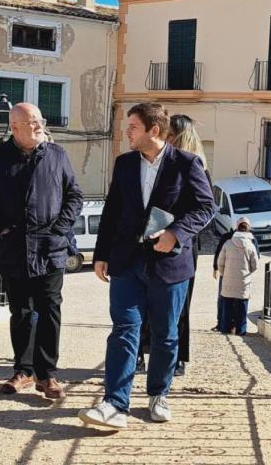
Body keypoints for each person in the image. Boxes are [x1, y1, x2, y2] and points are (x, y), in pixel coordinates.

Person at [79, 103, 215, 429]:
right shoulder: (125, 164)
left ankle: (158, 393)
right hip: (127, 263)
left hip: (169, 265)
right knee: (124, 331)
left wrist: (176, 233)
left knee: (166, 335)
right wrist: (102, 254)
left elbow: (205, 206)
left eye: (133, 127)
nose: (127, 132)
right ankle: (115, 405)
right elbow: (112, 212)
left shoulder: (186, 164)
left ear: (154, 130)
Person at [0, 103, 83, 400]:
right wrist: (1, 228)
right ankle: (23, 370)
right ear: (14, 127)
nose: (38, 126)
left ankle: (48, 375)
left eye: (39, 121)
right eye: (31, 122)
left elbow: (74, 195)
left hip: (50, 246)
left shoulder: (57, 155)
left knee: (49, 309)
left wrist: (60, 229)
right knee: (20, 311)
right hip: (14, 246)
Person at [137, 113, 209, 377]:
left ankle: (175, 357)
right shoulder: (149, 163)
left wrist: (176, 233)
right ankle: (141, 355)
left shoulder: (194, 166)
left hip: (182, 242)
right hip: (151, 236)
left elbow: (205, 209)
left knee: (177, 304)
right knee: (143, 299)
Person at [216, 217, 259, 335]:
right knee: (242, 308)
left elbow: (220, 262)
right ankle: (241, 331)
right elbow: (255, 264)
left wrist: (224, 273)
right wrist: (247, 272)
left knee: (227, 306)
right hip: (244, 281)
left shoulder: (228, 243)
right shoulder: (250, 245)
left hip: (228, 281)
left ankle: (225, 329)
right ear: (248, 228)